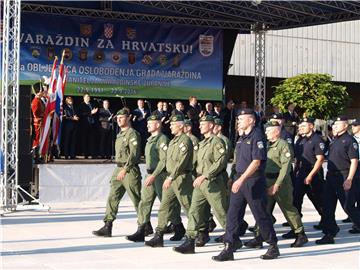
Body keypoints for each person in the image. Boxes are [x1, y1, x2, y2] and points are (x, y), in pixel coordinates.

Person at [212, 109, 279, 261]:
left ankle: (272, 245)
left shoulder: (257, 136)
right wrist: (233, 177)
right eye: (238, 119)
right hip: (239, 180)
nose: (239, 121)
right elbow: (238, 161)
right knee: (233, 214)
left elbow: (257, 161)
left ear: (251, 120)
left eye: (242, 119)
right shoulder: (241, 138)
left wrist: (241, 179)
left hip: (253, 181)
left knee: (260, 214)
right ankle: (230, 245)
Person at [246, 121, 308, 248]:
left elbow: (285, 167)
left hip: (281, 182)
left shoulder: (283, 145)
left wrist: (277, 184)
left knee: (288, 208)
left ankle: (300, 234)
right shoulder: (267, 145)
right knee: (263, 210)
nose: (266, 133)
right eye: (266, 130)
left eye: (269, 130)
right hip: (266, 181)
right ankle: (259, 236)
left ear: (277, 131)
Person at [173, 115, 228, 254]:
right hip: (200, 182)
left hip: (213, 182)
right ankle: (190, 240)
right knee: (194, 211)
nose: (200, 127)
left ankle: (232, 238)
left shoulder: (217, 142)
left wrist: (205, 175)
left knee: (220, 212)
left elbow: (220, 162)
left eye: (203, 124)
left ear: (210, 126)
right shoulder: (202, 143)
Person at [126, 114, 182, 242]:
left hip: (160, 175)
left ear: (157, 125)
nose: (147, 125)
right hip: (150, 175)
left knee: (166, 204)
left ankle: (178, 226)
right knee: (144, 202)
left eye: (150, 123)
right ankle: (142, 229)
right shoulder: (150, 139)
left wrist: (154, 175)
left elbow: (164, 160)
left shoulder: (162, 140)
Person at [145, 114, 193, 247]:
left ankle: (199, 232)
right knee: (164, 206)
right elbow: (167, 161)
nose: (170, 126)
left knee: (188, 206)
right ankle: (158, 235)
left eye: (173, 124)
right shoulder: (173, 141)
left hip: (181, 178)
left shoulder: (185, 141)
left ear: (181, 126)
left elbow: (182, 162)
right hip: (171, 178)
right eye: (170, 124)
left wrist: (171, 177)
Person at [92, 108, 142, 237]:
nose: (119, 120)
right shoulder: (119, 134)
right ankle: (108, 225)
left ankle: (144, 225)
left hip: (129, 170)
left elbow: (134, 154)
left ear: (128, 118)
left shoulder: (132, 134)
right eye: (117, 118)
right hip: (118, 168)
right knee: (112, 197)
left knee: (136, 199)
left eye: (121, 117)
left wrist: (125, 169)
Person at [316, 116, 360, 244]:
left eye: (337, 125)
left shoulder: (349, 140)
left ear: (345, 126)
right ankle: (329, 233)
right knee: (327, 206)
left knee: (348, 206)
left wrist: (349, 179)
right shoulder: (334, 140)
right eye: (334, 125)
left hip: (343, 175)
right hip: (330, 177)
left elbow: (354, 161)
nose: (334, 127)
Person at [289, 117, 325, 234]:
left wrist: (310, 176)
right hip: (301, 174)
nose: (301, 128)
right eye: (300, 126)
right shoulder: (300, 140)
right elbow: (298, 159)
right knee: (296, 200)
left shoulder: (317, 140)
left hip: (313, 174)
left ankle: (327, 222)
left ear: (311, 126)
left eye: (303, 126)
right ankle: (296, 227)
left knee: (317, 199)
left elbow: (320, 160)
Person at [78, 93, 99, 158]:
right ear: (84, 98)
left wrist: (95, 112)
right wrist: (91, 113)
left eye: (89, 97)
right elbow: (81, 114)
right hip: (85, 124)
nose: (88, 98)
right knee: (85, 139)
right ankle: (85, 154)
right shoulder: (81, 105)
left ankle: (92, 154)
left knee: (92, 139)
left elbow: (94, 114)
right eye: (87, 97)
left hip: (92, 124)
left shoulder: (91, 104)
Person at [31, 82, 46, 162]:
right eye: (42, 91)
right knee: (36, 140)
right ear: (39, 91)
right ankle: (35, 157)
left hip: (40, 123)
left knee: (39, 140)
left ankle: (37, 156)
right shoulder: (36, 101)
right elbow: (35, 113)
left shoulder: (39, 100)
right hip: (37, 124)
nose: (43, 92)